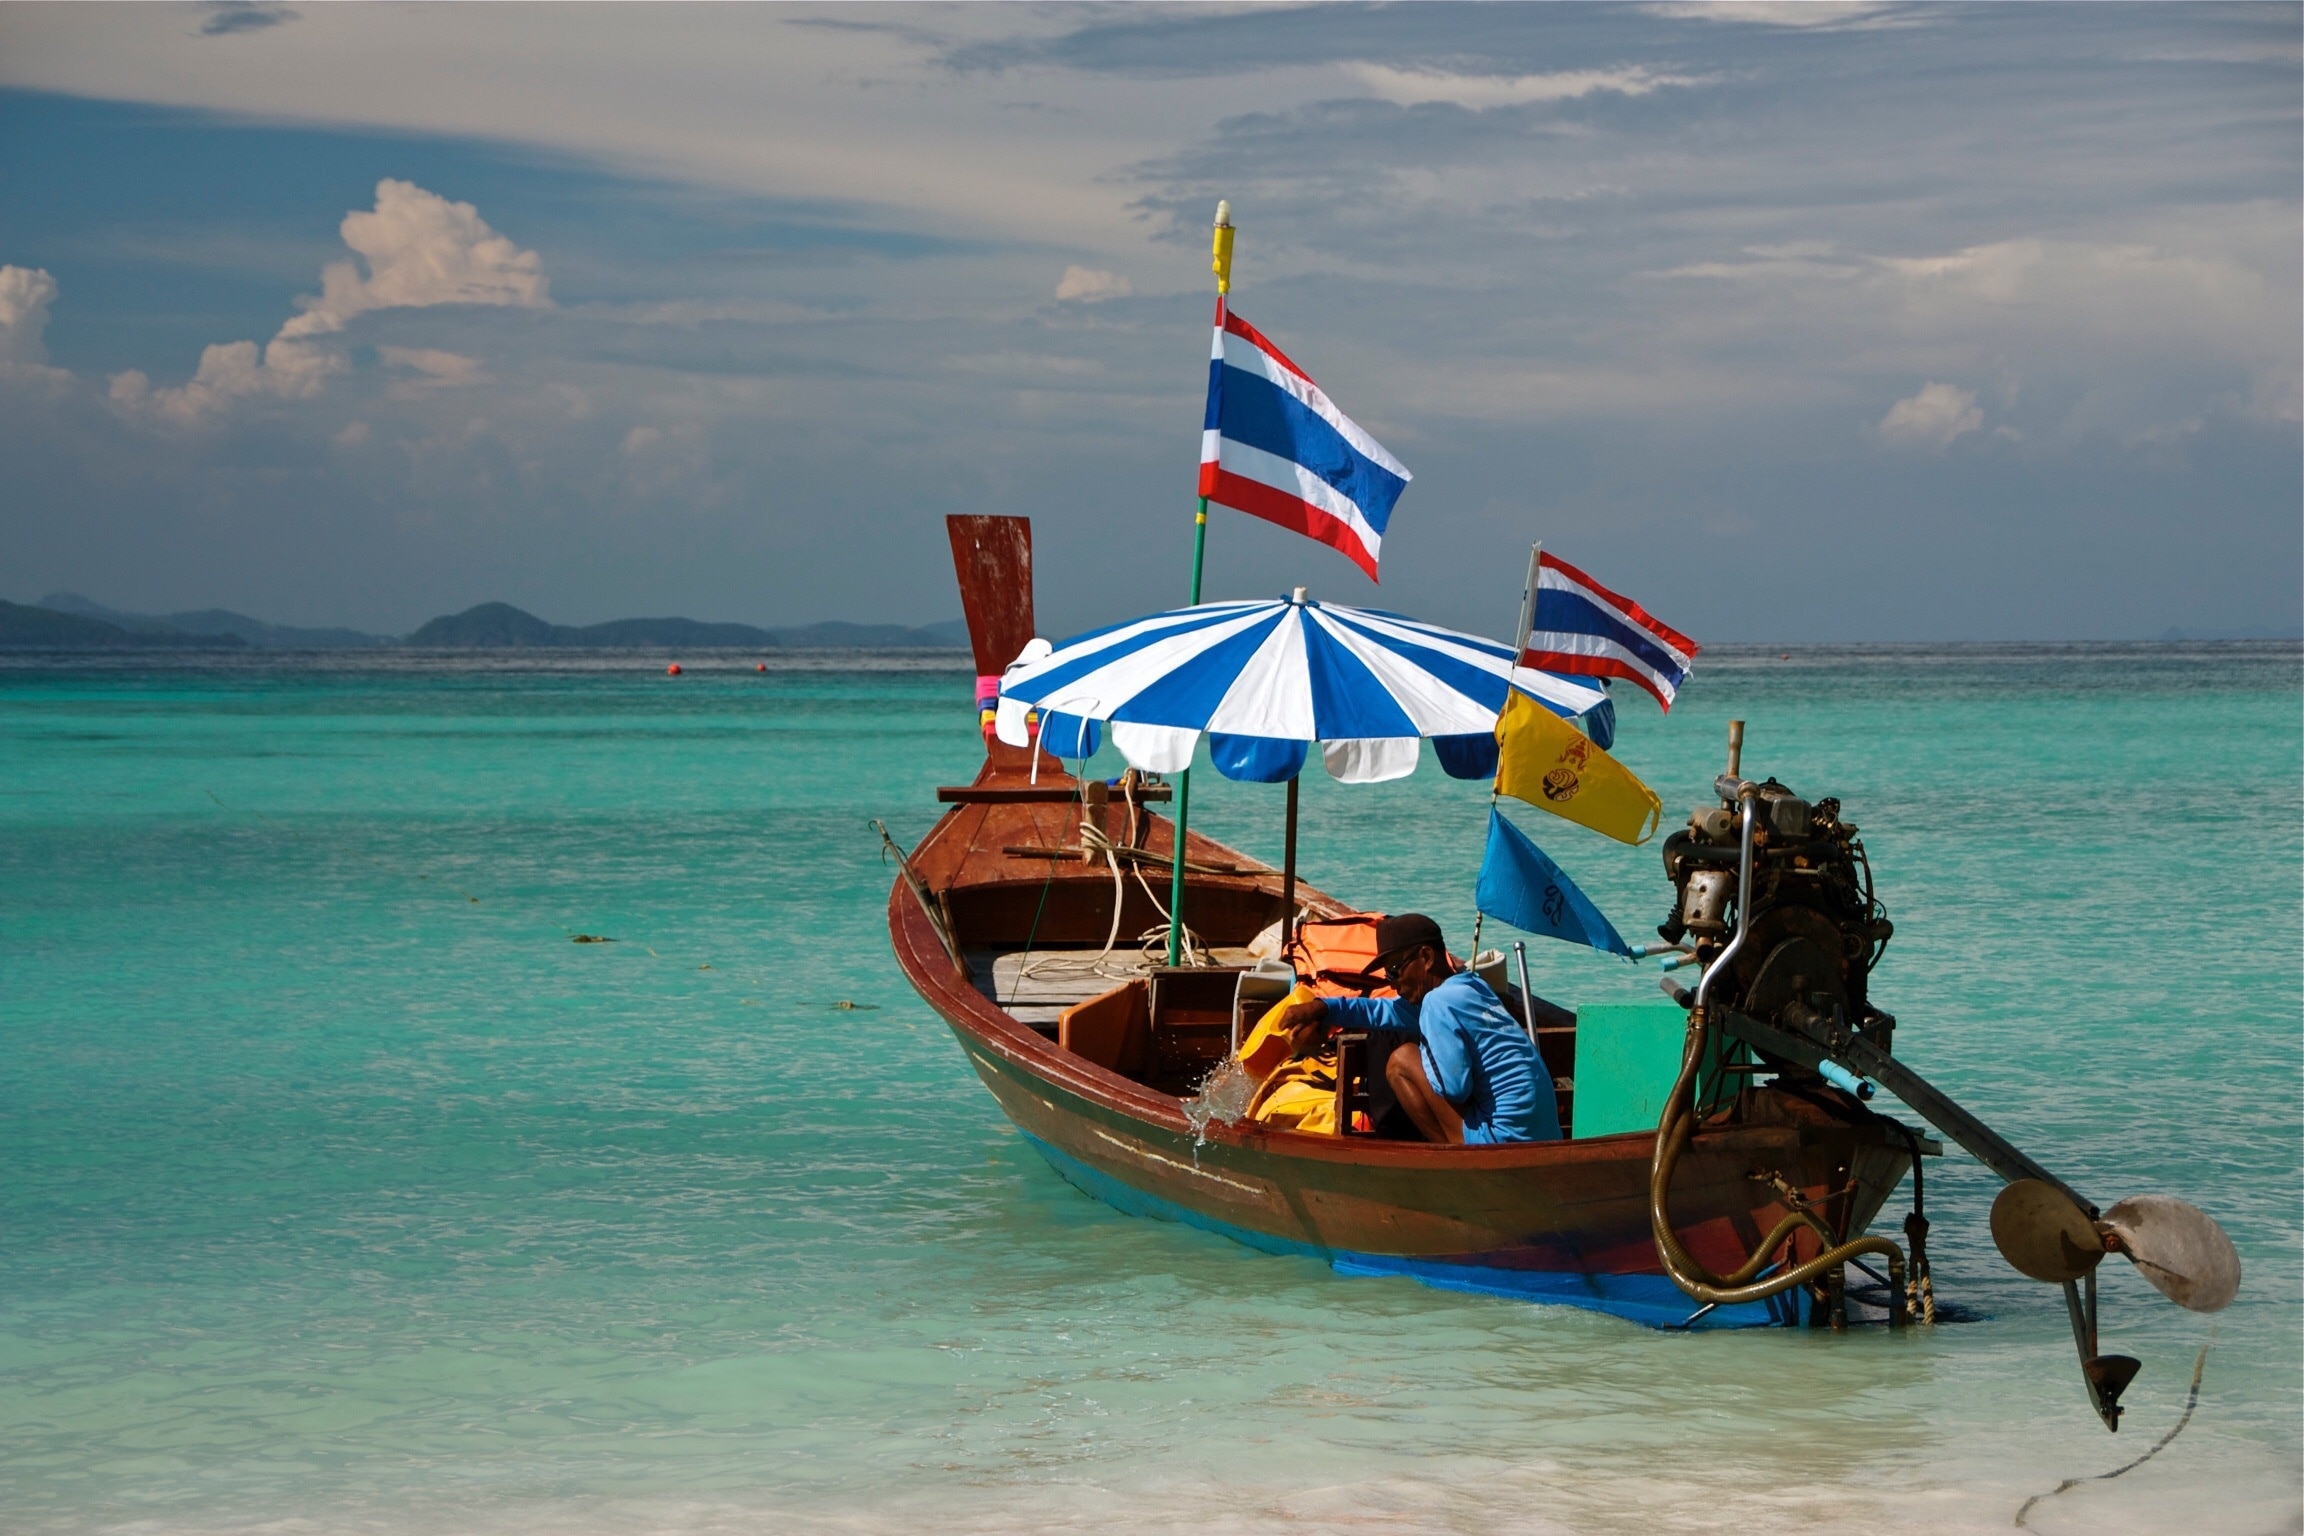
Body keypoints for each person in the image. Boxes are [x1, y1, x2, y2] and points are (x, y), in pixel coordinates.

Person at [1270, 913, 1560, 1145]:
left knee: (1401, 1060)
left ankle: (1451, 1158)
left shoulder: (1437, 1002)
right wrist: (1325, 1007)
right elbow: (1383, 1012)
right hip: (1544, 1137)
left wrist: (1428, 1048)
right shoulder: (1471, 987)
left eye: (1395, 969)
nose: (1392, 982)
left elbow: (1455, 1089)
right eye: (1386, 974)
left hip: (1500, 1140)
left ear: (1427, 957)